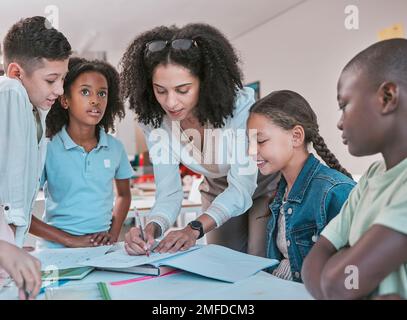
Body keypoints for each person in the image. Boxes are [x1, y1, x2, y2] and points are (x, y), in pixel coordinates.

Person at [121, 24, 280, 257]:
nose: (170, 102)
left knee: (258, 257)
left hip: (263, 184)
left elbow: (241, 188)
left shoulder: (239, 109)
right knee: (221, 260)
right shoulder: (155, 122)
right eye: (160, 90)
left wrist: (193, 228)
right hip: (216, 187)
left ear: (204, 82)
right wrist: (152, 228)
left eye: (182, 90)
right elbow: (169, 193)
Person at [302, 39, 407, 299]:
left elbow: (340, 282)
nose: (339, 123)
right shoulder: (373, 175)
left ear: (387, 97)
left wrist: (342, 258)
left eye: (343, 105)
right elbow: (314, 264)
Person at [247, 90, 355, 282]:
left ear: (296, 136)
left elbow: (352, 277)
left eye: (260, 141)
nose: (250, 151)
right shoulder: (281, 192)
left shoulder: (335, 192)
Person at [29, 58, 133, 248]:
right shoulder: (47, 148)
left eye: (102, 93)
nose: (95, 100)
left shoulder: (115, 148)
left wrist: (113, 234)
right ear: (65, 100)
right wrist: (71, 240)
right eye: (85, 92)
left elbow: (124, 195)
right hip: (55, 252)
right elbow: (20, 210)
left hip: (100, 250)